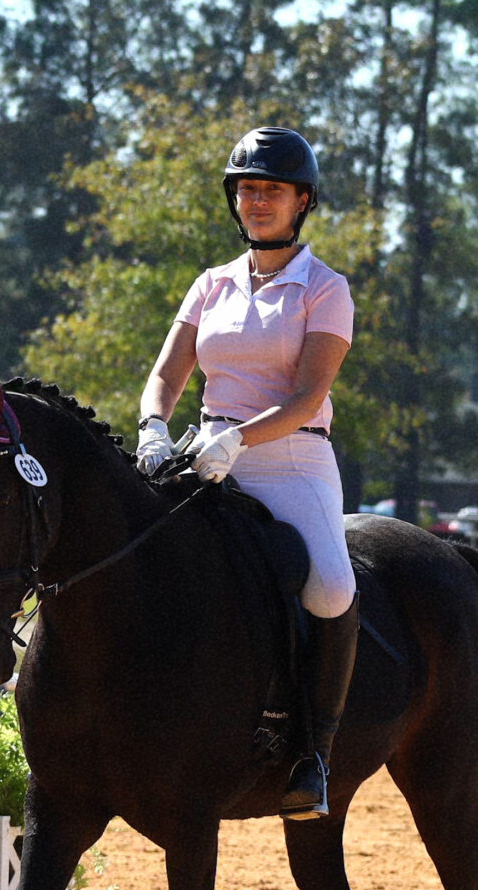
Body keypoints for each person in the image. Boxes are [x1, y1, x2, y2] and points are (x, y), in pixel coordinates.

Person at [132, 126, 355, 822]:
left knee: (329, 588)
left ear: (302, 201)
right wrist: (151, 426)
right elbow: (168, 373)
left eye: (272, 191)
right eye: (247, 189)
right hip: (203, 459)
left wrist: (238, 439)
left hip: (290, 457)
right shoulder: (211, 284)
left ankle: (312, 754)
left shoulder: (325, 288)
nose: (257, 201)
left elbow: (307, 398)